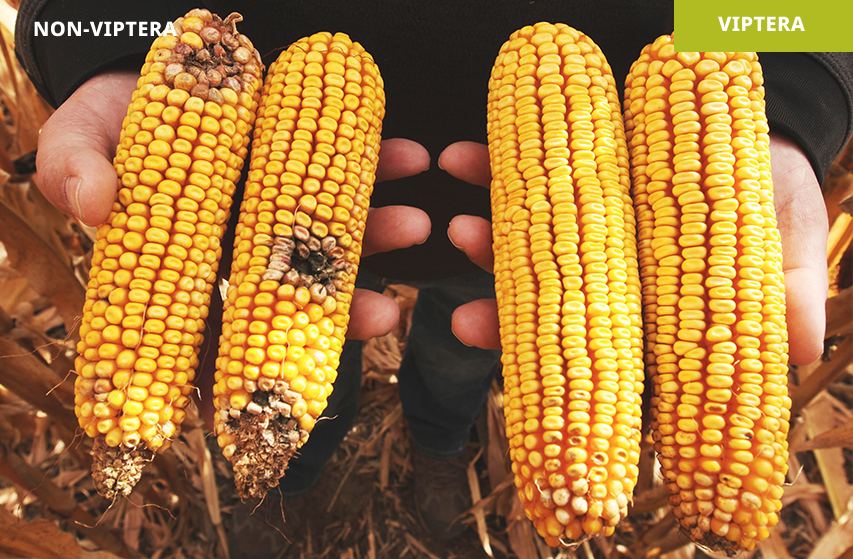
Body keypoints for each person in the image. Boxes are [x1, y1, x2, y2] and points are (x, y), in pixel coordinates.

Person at [16, 0, 853, 556]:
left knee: (460, 355)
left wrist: (793, 88)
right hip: (265, 173)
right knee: (314, 354)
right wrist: (109, 39)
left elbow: (798, 11)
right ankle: (284, 471)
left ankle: (440, 445)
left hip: (569, 201)